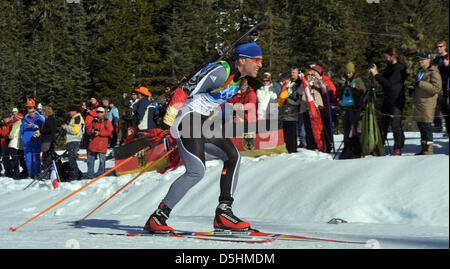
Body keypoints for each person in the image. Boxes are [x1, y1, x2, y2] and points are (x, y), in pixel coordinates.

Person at [144, 41, 263, 234]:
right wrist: (167, 122)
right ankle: (158, 217)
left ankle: (224, 212)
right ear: (243, 60)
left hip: (201, 122)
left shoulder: (240, 80)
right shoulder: (221, 71)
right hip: (186, 117)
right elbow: (185, 89)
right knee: (196, 171)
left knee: (233, 156)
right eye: (257, 60)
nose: (260, 64)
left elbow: (215, 101)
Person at [368, 48, 407, 155]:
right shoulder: (389, 67)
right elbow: (382, 81)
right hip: (388, 99)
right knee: (383, 125)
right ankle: (379, 148)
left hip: (397, 101)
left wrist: (377, 75)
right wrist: (374, 74)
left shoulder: (399, 68)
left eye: (386, 56)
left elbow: (389, 84)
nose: (385, 58)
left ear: (392, 56)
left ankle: (397, 148)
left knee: (395, 125)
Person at [411, 52, 442, 155]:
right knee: (421, 127)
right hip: (419, 103)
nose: (420, 61)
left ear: (429, 60)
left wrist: (421, 83)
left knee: (426, 127)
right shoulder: (421, 71)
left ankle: (429, 150)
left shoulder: (434, 72)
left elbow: (436, 88)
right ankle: (424, 148)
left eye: (422, 59)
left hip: (428, 104)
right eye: (419, 59)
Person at [336, 62, 367, 159]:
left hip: (355, 108)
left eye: (350, 72)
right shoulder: (342, 80)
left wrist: (351, 88)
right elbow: (337, 94)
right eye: (346, 72)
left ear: (353, 72)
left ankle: (356, 149)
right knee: (346, 129)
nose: (348, 74)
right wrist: (342, 87)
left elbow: (362, 92)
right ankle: (346, 148)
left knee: (354, 129)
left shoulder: (358, 80)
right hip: (345, 107)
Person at [298, 68, 326, 151]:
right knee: (308, 128)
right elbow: (299, 92)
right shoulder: (303, 84)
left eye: (312, 75)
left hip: (316, 107)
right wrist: (305, 84)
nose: (310, 77)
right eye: (308, 75)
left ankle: (319, 144)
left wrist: (319, 81)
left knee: (318, 127)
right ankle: (310, 145)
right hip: (306, 108)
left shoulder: (317, 83)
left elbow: (324, 90)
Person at [86, 106, 113, 178]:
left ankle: (101, 175)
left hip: (102, 144)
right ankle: (90, 174)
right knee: (90, 160)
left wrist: (99, 133)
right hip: (93, 143)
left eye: (101, 112)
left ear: (104, 113)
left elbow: (110, 132)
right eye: (98, 112)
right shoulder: (94, 121)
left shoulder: (107, 122)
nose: (99, 113)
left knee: (102, 161)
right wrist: (92, 131)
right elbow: (88, 130)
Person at [20, 99, 45, 179]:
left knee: (36, 160)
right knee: (28, 161)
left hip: (36, 142)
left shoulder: (39, 118)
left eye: (31, 109)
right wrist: (23, 138)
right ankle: (30, 175)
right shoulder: (25, 119)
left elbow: (42, 129)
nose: (30, 110)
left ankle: (37, 174)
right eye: (28, 108)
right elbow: (22, 130)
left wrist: (34, 126)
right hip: (27, 143)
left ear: (34, 109)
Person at [279, 72, 301, 153]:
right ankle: (288, 149)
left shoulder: (294, 87)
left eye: (285, 80)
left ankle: (293, 149)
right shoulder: (283, 88)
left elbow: (297, 101)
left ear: (289, 79)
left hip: (292, 114)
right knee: (286, 134)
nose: (283, 82)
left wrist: (287, 99)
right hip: (284, 114)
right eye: (282, 80)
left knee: (292, 134)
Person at [62, 105, 85, 181]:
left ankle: (75, 175)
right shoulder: (74, 118)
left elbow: (75, 130)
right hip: (73, 140)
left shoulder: (77, 118)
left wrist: (66, 127)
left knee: (71, 159)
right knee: (71, 159)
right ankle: (75, 174)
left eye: (70, 111)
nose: (69, 113)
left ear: (74, 111)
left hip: (74, 140)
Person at [433, 40, 449, 137]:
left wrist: (447, 66)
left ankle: (447, 128)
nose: (439, 48)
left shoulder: (448, 57)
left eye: (441, 46)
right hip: (438, 86)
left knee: (446, 109)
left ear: (445, 47)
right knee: (441, 108)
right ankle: (439, 125)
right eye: (437, 47)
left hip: (447, 86)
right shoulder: (436, 59)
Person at [36, 106, 57, 179]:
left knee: (46, 157)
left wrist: (41, 131)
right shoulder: (50, 119)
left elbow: (50, 129)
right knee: (46, 156)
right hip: (48, 140)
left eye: (43, 111)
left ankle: (46, 174)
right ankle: (47, 173)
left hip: (48, 140)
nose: (42, 113)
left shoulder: (50, 119)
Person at [290, 67, 306, 148]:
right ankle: (297, 141)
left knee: (301, 125)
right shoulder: (290, 82)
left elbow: (301, 92)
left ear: (297, 73)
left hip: (300, 105)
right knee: (295, 125)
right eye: (291, 72)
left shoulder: (300, 82)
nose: (292, 74)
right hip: (292, 106)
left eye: (293, 72)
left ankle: (303, 141)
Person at [8, 112, 27, 179]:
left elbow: (11, 135)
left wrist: (8, 136)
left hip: (14, 145)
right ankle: (26, 172)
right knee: (22, 160)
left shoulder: (15, 125)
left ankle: (15, 174)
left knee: (14, 160)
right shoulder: (24, 125)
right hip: (21, 146)